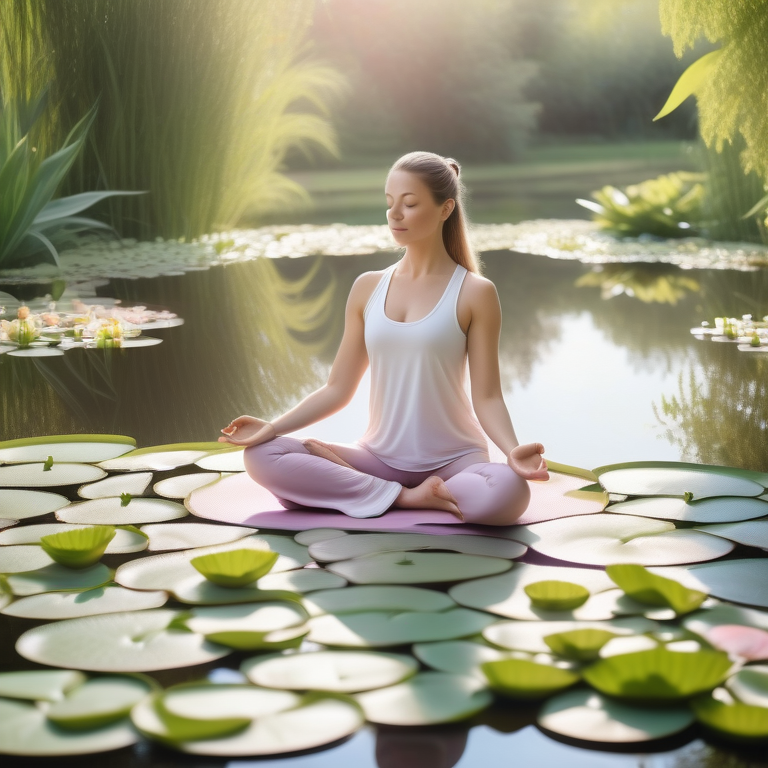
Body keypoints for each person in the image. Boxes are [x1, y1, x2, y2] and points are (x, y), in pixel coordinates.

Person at [219, 151, 548, 525]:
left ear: (445, 209)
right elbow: (337, 388)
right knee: (263, 455)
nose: (395, 214)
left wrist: (511, 450)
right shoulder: (367, 287)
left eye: (409, 204)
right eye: (390, 203)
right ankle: (408, 499)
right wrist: (272, 427)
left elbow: (487, 395)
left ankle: (358, 491)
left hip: (457, 462)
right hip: (377, 458)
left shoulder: (476, 292)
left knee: (507, 492)